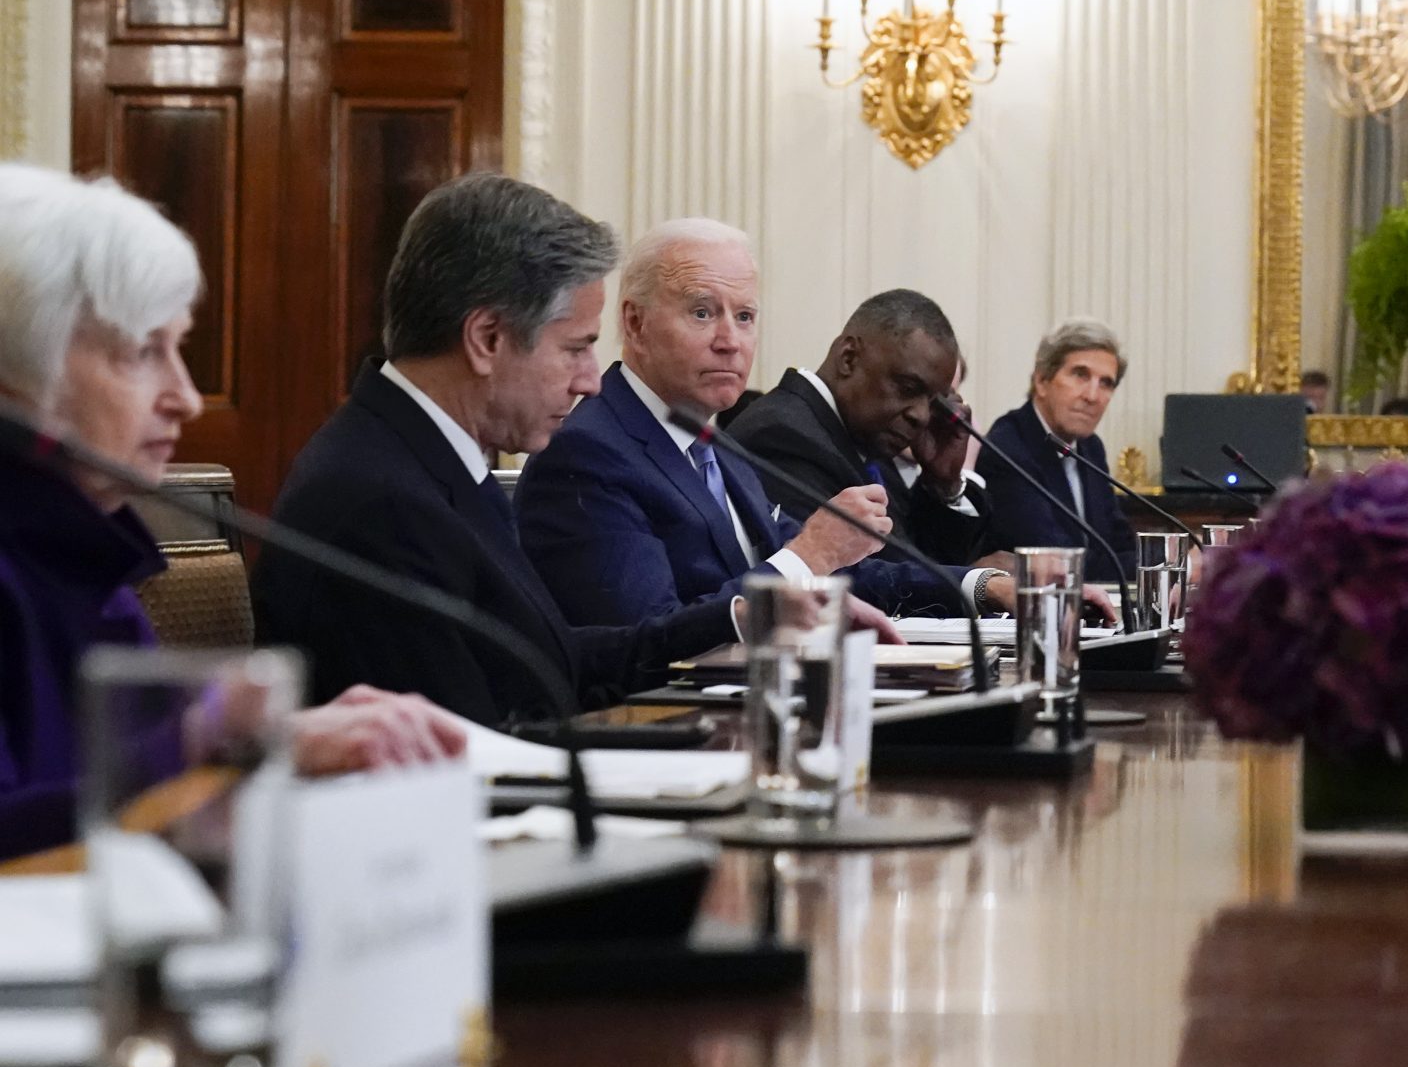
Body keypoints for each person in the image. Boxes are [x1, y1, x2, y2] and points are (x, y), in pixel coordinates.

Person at [0, 165, 459, 859]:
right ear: (14, 383)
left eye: (178, 347)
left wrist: (291, 757)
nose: (185, 397)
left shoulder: (92, 557)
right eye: (143, 352)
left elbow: (136, 815)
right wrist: (223, 746)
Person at [255, 175, 738, 724]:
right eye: (575, 348)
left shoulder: (427, 458)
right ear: (487, 338)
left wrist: (734, 618)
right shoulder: (380, 503)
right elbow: (464, 745)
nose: (591, 382)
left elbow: (549, 663)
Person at [514, 219, 902, 636]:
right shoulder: (586, 454)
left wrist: (961, 583)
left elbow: (824, 566)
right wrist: (811, 554)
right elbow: (645, 638)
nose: (730, 341)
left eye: (745, 316)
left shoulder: (716, 448)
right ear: (635, 324)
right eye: (702, 313)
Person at [725, 290, 1014, 619]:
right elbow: (852, 581)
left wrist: (943, 485)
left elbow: (919, 560)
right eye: (908, 389)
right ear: (848, 358)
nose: (921, 416)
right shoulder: (782, 435)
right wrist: (979, 583)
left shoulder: (863, 441)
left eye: (934, 403)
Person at [981, 319, 1139, 585]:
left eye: (1106, 383)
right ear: (1042, 380)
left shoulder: (1090, 448)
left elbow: (1119, 544)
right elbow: (1057, 564)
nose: (1092, 396)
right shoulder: (1008, 447)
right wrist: (1173, 563)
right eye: (1080, 375)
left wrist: (1166, 560)